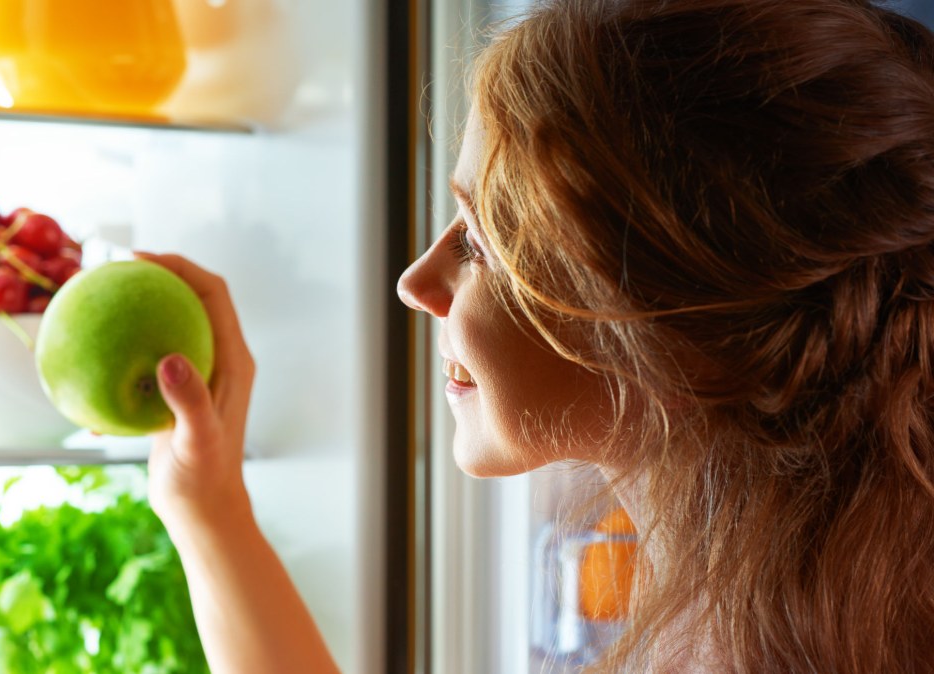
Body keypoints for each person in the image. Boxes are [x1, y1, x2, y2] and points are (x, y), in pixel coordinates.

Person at [137, 0, 934, 671]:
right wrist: (209, 508)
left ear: (666, 318)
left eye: (481, 243)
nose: (416, 284)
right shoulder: (818, 603)